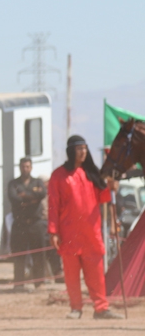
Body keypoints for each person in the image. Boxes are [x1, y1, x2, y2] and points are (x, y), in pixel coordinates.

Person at [48, 135, 123, 319]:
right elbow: (53, 205)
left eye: (84, 148)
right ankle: (76, 308)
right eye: (79, 148)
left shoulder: (92, 173)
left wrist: (112, 187)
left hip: (91, 232)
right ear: (71, 151)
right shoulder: (58, 176)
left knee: (96, 273)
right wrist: (53, 231)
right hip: (69, 232)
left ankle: (101, 308)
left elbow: (103, 197)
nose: (83, 152)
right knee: (72, 274)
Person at [7, 157, 48, 291]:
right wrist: (32, 198)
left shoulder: (38, 182)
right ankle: (19, 283)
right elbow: (14, 198)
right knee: (19, 255)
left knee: (38, 255)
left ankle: (39, 283)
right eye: (23, 166)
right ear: (19, 167)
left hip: (35, 223)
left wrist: (25, 196)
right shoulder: (13, 183)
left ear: (31, 167)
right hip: (20, 224)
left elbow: (42, 194)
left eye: (28, 166)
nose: (25, 169)